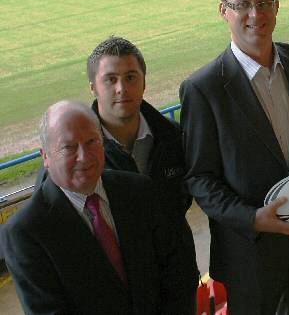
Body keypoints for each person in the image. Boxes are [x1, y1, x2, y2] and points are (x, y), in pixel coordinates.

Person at [180, 0, 289, 315]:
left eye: (263, 2)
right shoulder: (204, 88)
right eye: (241, 4)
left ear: (276, 6)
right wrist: (253, 217)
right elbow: (200, 178)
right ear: (223, 11)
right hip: (250, 254)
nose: (254, 14)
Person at [36, 36, 199, 309]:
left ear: (144, 81)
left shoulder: (173, 138)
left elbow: (181, 201)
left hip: (176, 286)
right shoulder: (70, 162)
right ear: (93, 87)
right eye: (110, 79)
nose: (122, 88)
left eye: (131, 77)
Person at [1, 101, 193, 315]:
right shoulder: (25, 233)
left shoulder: (139, 191)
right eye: (69, 147)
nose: (84, 156)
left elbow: (177, 274)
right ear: (45, 156)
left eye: (92, 141)